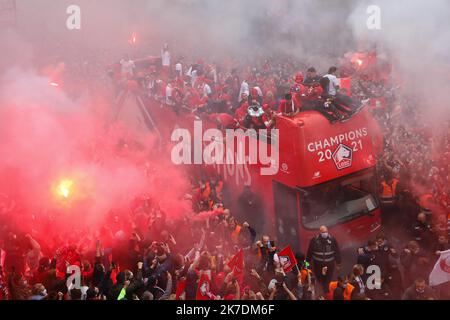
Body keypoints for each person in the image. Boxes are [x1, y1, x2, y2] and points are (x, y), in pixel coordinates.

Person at [306, 226, 341, 295]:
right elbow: (309, 253)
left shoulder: (332, 240)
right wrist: (307, 264)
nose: (325, 233)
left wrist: (338, 263)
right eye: (323, 232)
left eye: (326, 232)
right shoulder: (314, 241)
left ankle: (326, 291)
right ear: (320, 232)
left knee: (328, 279)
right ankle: (324, 289)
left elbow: (337, 252)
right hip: (318, 265)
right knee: (320, 279)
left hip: (330, 265)